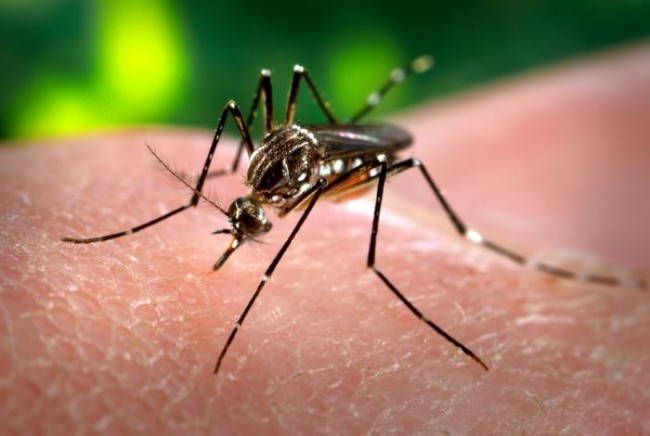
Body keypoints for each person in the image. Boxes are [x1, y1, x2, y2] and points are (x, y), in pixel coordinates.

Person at [1, 42, 648, 433]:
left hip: (343, 163)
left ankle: (474, 241)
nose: (244, 225)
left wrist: (261, 274)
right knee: (246, 103)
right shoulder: (258, 178)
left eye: (241, 222)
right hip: (306, 154)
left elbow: (307, 189)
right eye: (241, 220)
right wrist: (202, 190)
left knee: (401, 161)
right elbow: (254, 145)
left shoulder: (290, 190)